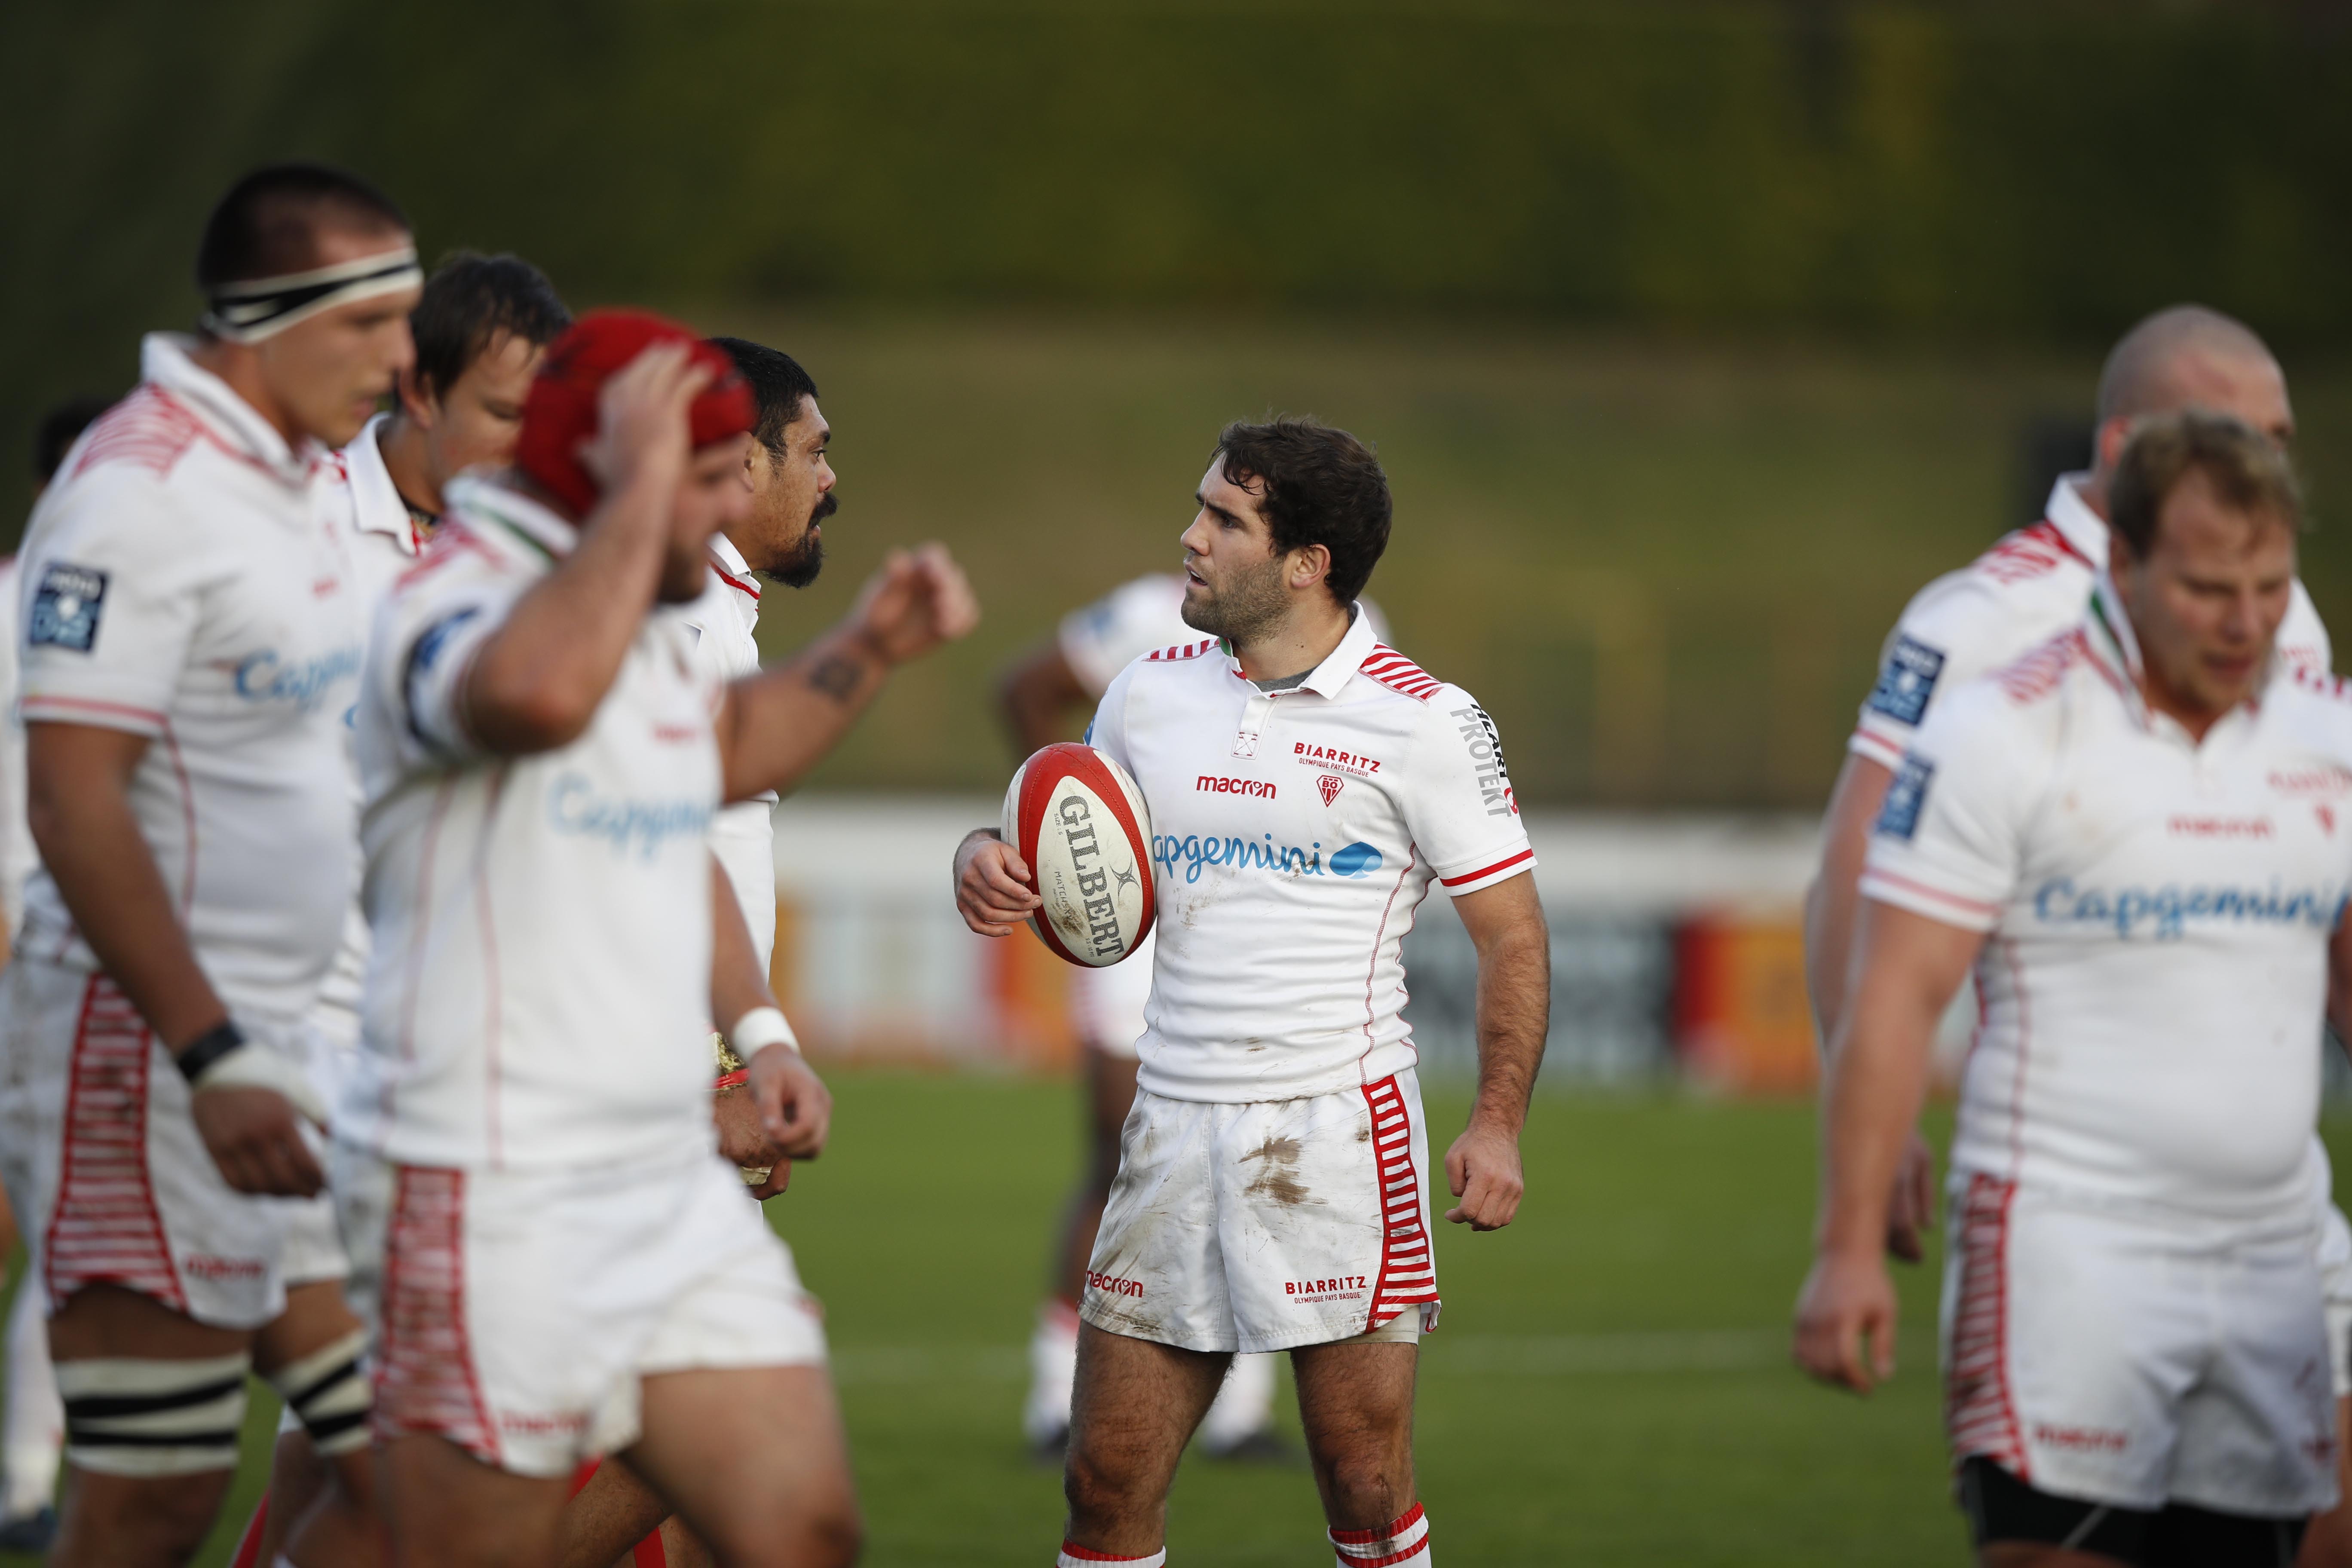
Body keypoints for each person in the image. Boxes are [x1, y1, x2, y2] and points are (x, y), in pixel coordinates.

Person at [336, 310, 976, 1568]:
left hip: (647, 1167)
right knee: (436, 1536)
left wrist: (762, 1037)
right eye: (704, 478)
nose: (730, 507)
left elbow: (693, 797)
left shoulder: (640, 616)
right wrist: (639, 526)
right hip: (480, 1168)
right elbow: (527, 697)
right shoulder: (460, 595)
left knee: (797, 1518)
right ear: (617, 477)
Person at [1796, 304, 2352, 1560]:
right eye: (2234, 435)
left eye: (2282, 437)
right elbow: (1858, 873)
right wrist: (1866, 1133)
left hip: (2277, 1218)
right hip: (2073, 1206)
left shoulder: (2285, 622)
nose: (2266, 465)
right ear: (2132, 452)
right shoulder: (1985, 630)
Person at [954, 416, 1550, 1568]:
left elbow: (1513, 938)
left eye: (1223, 520)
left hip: (1337, 1128)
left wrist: (1497, 1122)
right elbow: (1067, 828)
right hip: (1169, 1123)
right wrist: (987, 852)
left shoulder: (1425, 721)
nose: (1189, 537)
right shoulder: (1146, 692)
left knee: (1366, 1486)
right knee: (1103, 1480)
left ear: (1305, 563)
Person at [0, 163, 419, 1568]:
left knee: (422, 1459)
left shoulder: (291, 481)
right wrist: (211, 1044)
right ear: (262, 315)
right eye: (372, 322)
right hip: (152, 1060)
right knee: (147, 1504)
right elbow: (71, 800)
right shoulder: (140, 493)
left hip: (279, 1057)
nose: (400, 357)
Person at [555, 334, 983, 1568]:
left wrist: (752, 1045)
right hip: (598, 1095)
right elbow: (611, 861)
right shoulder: (666, 617)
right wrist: (705, 1082)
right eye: (815, 453)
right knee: (735, 1402)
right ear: (741, 463)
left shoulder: (704, 617)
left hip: (662, 1077)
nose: (831, 482)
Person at [230, 249, 575, 1568]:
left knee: (358, 1452)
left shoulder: (530, 552)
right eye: (500, 414)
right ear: (416, 389)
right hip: (286, 1041)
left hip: (437, 1054)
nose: (521, 448)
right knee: (387, 1450)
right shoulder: (289, 525)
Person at [995, 572, 1385, 1462]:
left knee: (1255, 1161)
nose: (1198, 537)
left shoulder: (1370, 643)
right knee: (1120, 1152)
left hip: (1258, 942)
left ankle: (1240, 1413)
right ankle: (1056, 1394)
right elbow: (1025, 687)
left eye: (1224, 516)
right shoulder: (1144, 617)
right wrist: (1055, 838)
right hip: (1136, 927)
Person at [0, 394, 114, 1554]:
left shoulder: (154, 605)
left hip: (78, 960)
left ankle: (26, 1482)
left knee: (61, 1231)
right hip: (26, 945)